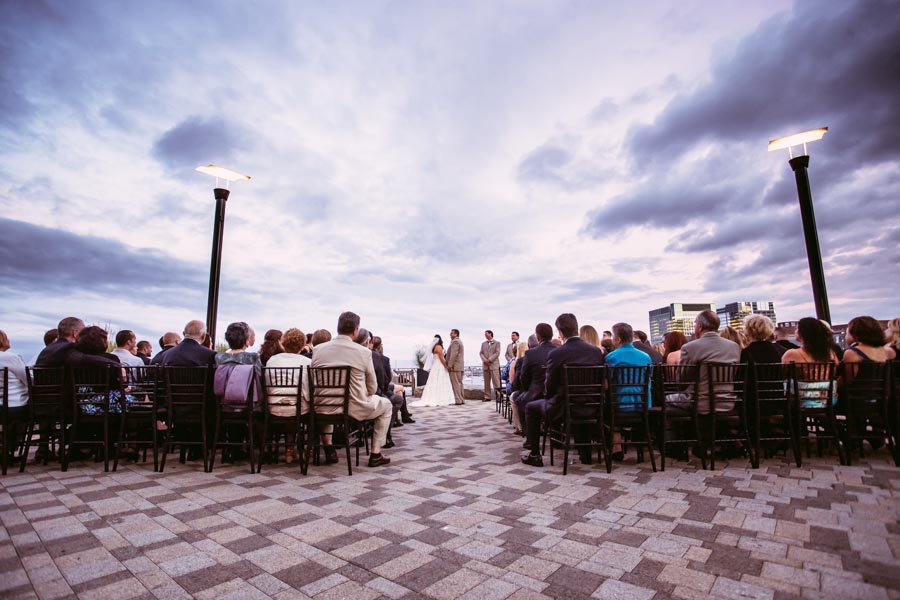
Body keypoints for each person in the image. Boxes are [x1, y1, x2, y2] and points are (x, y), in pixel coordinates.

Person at [311, 311, 393, 467]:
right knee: (387, 405)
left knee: (329, 403)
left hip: (323, 406)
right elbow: (372, 386)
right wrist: (365, 395)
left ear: (338, 327)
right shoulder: (363, 352)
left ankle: (328, 448)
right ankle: (376, 453)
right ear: (356, 330)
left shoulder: (318, 350)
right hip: (353, 407)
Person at [522, 313, 604, 467]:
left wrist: (549, 397)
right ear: (576, 328)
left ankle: (535, 455)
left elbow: (550, 387)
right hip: (592, 406)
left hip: (563, 409)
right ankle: (585, 454)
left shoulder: (557, 354)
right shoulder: (595, 351)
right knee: (578, 402)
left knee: (530, 407)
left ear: (560, 333)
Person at [666, 310, 741, 414]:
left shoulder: (689, 348)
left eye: (695, 324)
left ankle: (682, 430)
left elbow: (681, 383)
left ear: (700, 326)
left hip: (699, 404)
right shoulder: (734, 347)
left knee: (667, 398)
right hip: (727, 403)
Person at [604, 322, 653, 460]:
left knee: (605, 410)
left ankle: (616, 446)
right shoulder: (646, 357)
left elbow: (606, 385)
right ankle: (641, 448)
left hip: (619, 405)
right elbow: (650, 378)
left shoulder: (612, 357)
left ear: (618, 339)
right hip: (642, 405)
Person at [264, 327, 310, 463]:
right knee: (307, 408)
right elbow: (308, 389)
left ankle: (289, 449)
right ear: (302, 345)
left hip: (273, 407)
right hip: (297, 408)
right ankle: (306, 450)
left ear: (283, 343)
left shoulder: (272, 360)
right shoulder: (306, 362)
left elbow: (267, 384)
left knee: (292, 407)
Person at [780, 317, 838, 409]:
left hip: (801, 400)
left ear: (803, 333)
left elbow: (781, 374)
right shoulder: (830, 353)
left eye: (797, 328)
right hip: (829, 399)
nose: (795, 331)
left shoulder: (792, 353)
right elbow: (835, 372)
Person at [513, 324, 555, 437]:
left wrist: (527, 389)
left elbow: (524, 378)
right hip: (555, 396)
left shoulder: (530, 353)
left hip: (536, 394)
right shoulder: (559, 351)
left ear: (538, 337)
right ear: (552, 336)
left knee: (519, 398)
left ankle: (528, 437)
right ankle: (556, 435)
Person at [413, 334, 456, 407]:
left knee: (434, 381)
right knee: (440, 381)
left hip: (435, 365)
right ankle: (440, 398)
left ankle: (434, 397)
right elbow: (442, 359)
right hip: (439, 365)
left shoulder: (433, 348)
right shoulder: (438, 347)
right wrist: (446, 366)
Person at [0, 329, 29, 417]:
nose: (8, 340)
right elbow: (27, 380)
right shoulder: (11, 358)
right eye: (6, 338)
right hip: (13, 404)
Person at [445, 329, 465, 405]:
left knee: (456, 384)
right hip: (459, 366)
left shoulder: (455, 342)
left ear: (456, 334)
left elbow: (454, 354)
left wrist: (450, 365)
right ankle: (462, 399)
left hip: (455, 366)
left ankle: (458, 400)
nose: (450, 335)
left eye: (452, 333)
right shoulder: (459, 341)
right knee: (459, 383)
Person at [480, 330, 501, 402]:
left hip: (494, 365)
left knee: (496, 382)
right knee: (486, 382)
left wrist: (490, 360)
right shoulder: (483, 344)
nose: (485, 335)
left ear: (490, 334)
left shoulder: (497, 343)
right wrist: (484, 360)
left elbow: (497, 353)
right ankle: (487, 397)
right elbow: (481, 353)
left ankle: (498, 396)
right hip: (485, 366)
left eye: (486, 334)